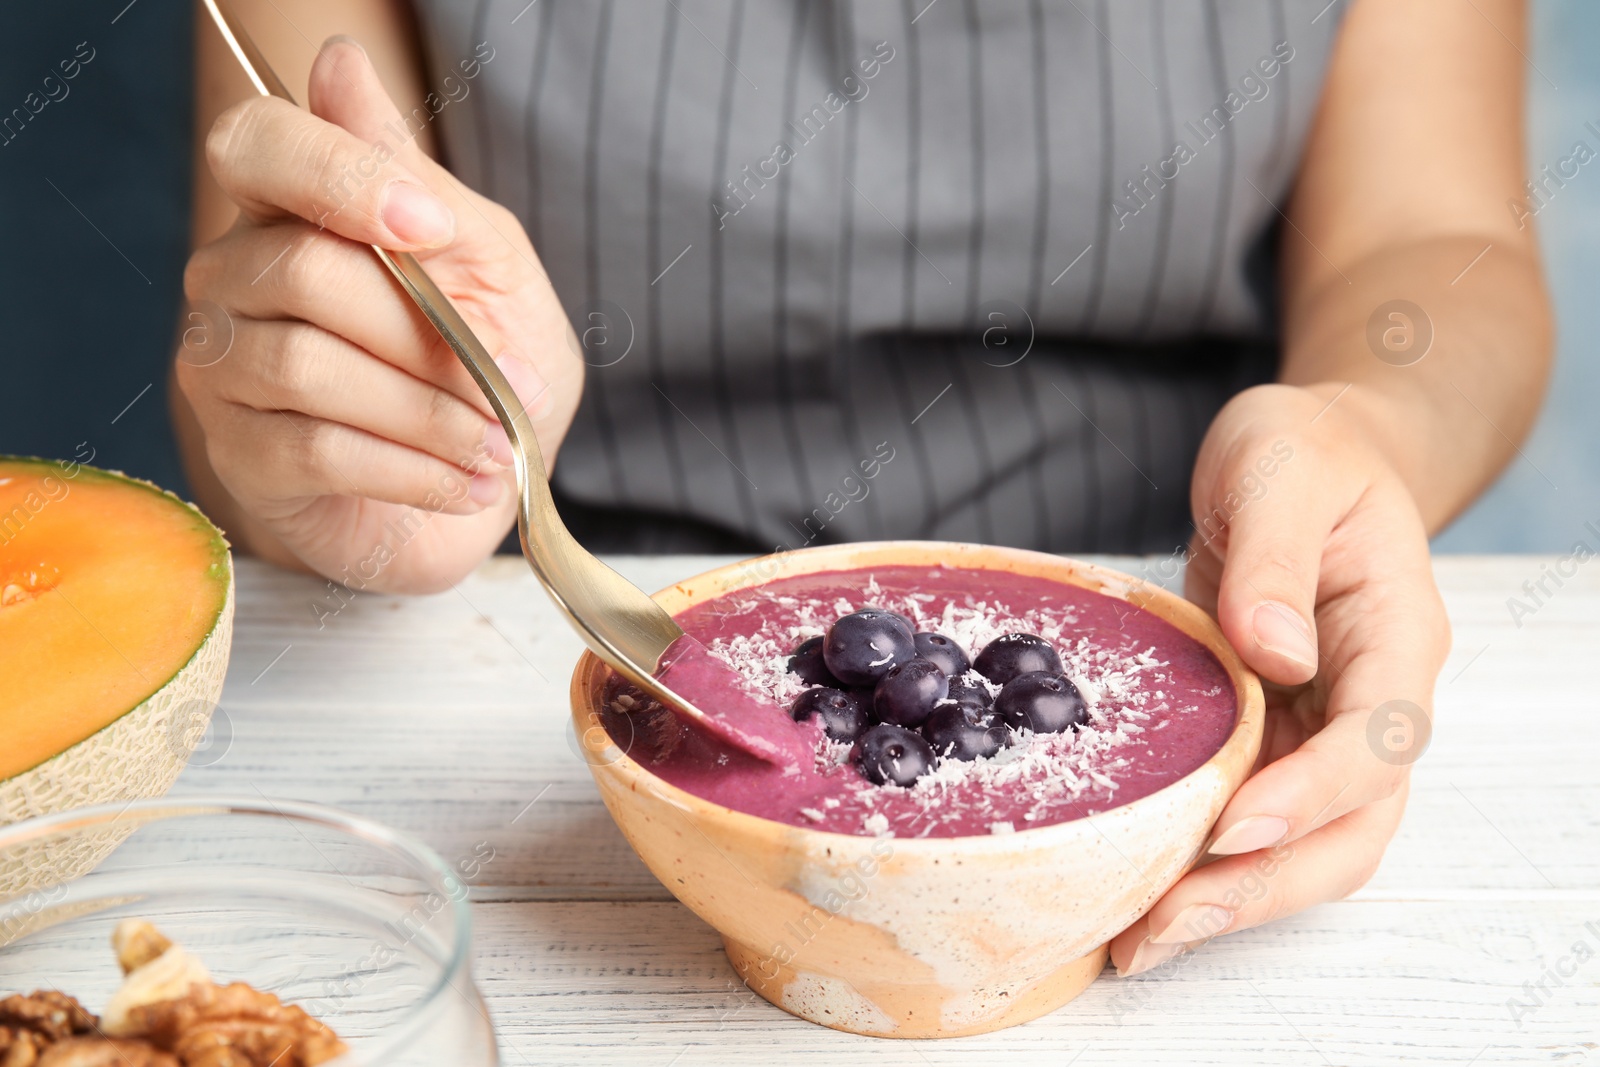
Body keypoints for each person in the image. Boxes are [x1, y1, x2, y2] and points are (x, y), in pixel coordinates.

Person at [175, 0, 1549, 977]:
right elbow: (277, 285)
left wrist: (1363, 423)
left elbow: (1434, 242)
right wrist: (349, 426)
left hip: (1170, 593)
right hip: (531, 619)